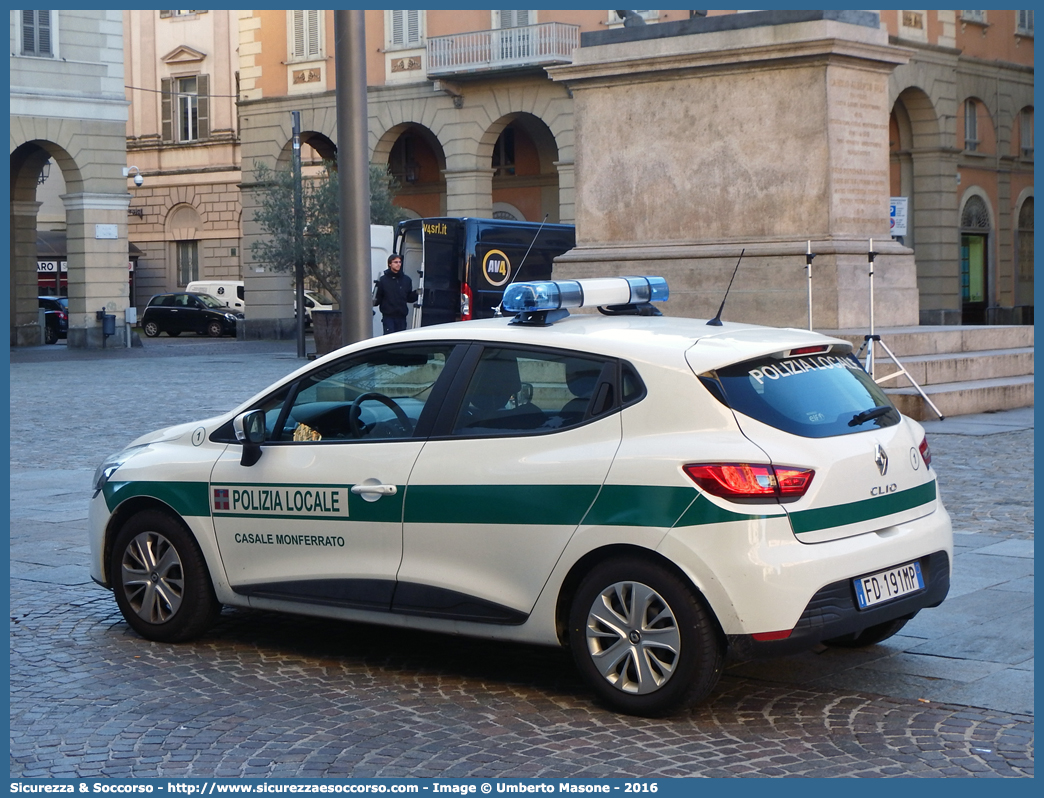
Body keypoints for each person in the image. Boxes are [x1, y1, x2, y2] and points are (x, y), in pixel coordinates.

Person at [372, 254, 418, 334]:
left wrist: (417, 293)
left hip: (402, 317)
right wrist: (372, 300)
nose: (398, 264)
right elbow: (377, 298)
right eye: (395, 262)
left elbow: (408, 298)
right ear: (390, 264)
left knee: (400, 340)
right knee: (389, 340)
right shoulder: (383, 280)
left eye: (400, 262)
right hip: (388, 317)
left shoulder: (407, 280)